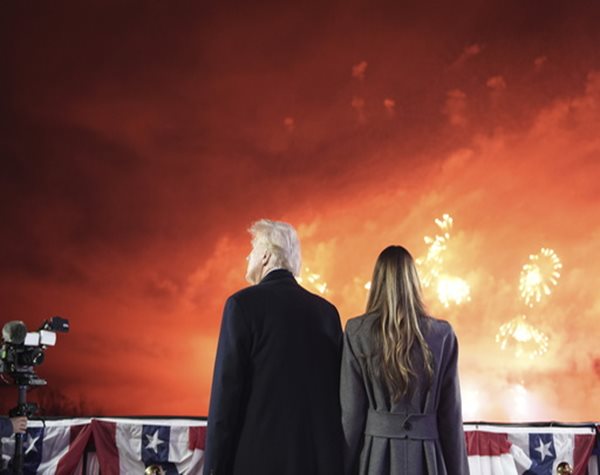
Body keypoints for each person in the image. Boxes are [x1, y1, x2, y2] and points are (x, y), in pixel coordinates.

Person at [203, 219, 344, 475]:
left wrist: (213, 470)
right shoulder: (327, 313)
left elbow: (226, 400)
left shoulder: (241, 305)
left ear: (266, 255)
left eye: (253, 248)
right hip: (316, 464)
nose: (248, 255)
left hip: (256, 462)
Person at [340, 246, 469, 475]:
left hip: (375, 459)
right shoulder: (443, 334)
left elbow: (351, 415)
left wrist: (341, 467)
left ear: (378, 281)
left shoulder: (356, 332)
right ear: (413, 282)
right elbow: (451, 419)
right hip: (428, 458)